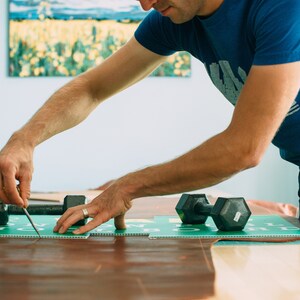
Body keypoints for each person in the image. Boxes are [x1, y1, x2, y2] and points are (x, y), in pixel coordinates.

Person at [0, 0, 299, 234]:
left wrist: (127, 187)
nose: (145, 4)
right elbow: (91, 89)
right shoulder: (175, 19)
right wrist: (24, 139)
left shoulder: (281, 7)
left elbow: (244, 148)